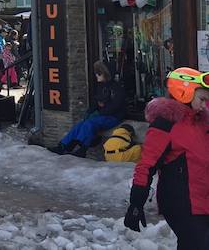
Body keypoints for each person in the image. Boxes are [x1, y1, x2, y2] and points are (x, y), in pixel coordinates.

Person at [125, 68, 209, 248]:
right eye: (202, 99)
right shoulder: (165, 124)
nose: (204, 105)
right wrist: (136, 202)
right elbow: (147, 165)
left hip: (203, 200)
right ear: (184, 92)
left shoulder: (201, 122)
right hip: (181, 203)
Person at [49, 60, 125, 157]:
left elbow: (115, 105)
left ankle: (82, 148)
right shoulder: (101, 86)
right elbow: (96, 101)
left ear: (106, 74)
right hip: (103, 115)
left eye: (99, 73)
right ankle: (63, 145)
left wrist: (99, 113)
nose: (96, 75)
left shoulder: (116, 88)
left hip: (114, 116)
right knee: (81, 123)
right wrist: (90, 111)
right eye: (96, 73)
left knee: (90, 123)